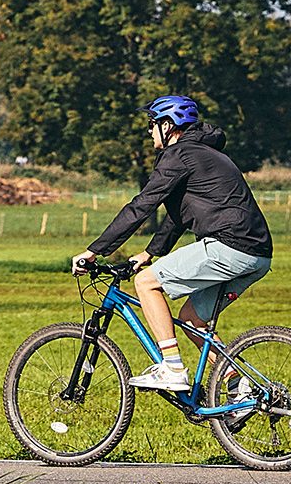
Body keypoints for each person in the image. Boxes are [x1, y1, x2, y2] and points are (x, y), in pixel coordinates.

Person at [72, 95, 273, 393]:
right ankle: (240, 387)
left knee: (146, 283)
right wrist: (150, 252)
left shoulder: (179, 154)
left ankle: (173, 368)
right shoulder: (203, 154)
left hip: (230, 245)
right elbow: (180, 215)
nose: (149, 130)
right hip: (257, 255)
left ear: (168, 125)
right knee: (192, 320)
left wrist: (94, 251)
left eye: (152, 123)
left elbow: (142, 206)